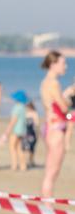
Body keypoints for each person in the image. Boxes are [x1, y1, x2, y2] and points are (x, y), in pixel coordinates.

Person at [39, 51, 69, 197]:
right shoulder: (53, 83)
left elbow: (52, 104)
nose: (66, 67)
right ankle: (48, 211)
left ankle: (48, 208)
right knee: (52, 173)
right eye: (63, 63)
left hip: (49, 127)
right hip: (56, 129)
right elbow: (63, 107)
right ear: (53, 64)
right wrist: (69, 96)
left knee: (50, 171)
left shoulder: (45, 82)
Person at [0, 90, 28, 171]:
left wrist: (6, 132)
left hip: (16, 130)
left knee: (12, 148)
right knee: (19, 148)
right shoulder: (23, 107)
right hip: (22, 130)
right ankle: (23, 166)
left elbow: (13, 121)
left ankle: (14, 165)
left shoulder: (17, 107)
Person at [23, 101, 40, 168]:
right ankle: (30, 161)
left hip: (29, 132)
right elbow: (37, 124)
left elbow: (36, 124)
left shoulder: (29, 113)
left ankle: (29, 161)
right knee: (30, 148)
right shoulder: (33, 113)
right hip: (29, 133)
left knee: (28, 148)